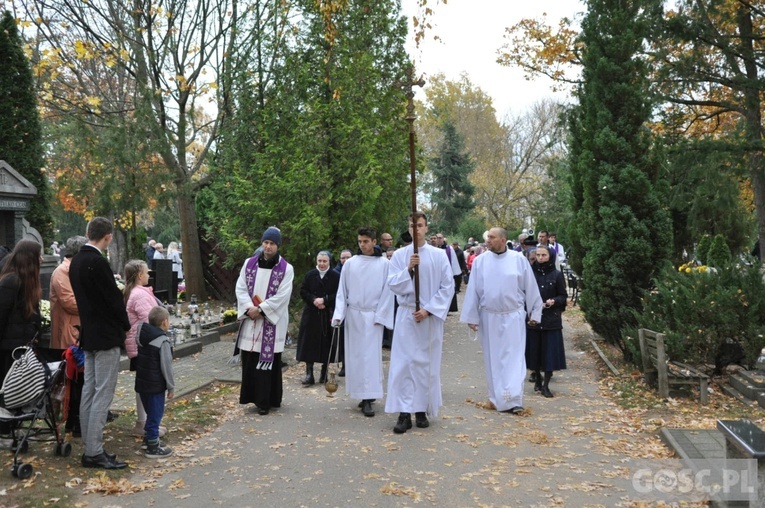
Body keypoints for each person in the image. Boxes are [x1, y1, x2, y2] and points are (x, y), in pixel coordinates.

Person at [460, 227, 543, 414]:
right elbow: (473, 290)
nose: (487, 240)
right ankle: (496, 398)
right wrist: (472, 317)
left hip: (513, 316)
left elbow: (530, 287)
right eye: (487, 237)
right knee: (493, 358)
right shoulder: (480, 261)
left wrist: (535, 314)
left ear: (503, 239)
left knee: (514, 357)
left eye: (492, 237)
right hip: (489, 316)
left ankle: (514, 399)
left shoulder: (518, 260)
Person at [70, 217, 131, 469]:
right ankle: (93, 451)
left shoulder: (76, 262)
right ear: (108, 237)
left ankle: (90, 447)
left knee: (89, 390)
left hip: (89, 333)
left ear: (87, 232)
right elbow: (113, 300)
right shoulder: (97, 262)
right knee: (103, 393)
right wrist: (125, 325)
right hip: (105, 335)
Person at [386, 212, 453, 433]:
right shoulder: (399, 255)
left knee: (426, 366)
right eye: (412, 225)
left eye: (420, 225)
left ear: (426, 228)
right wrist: (408, 269)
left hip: (429, 319)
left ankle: (421, 409)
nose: (416, 229)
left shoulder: (439, 255)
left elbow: (447, 287)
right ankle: (404, 412)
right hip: (407, 316)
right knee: (404, 365)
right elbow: (392, 284)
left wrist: (429, 309)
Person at [332, 227, 393, 417]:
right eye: (360, 241)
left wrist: (381, 316)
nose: (362, 245)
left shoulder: (384, 264)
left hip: (373, 316)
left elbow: (388, 292)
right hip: (354, 315)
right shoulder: (351, 264)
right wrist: (338, 315)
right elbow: (342, 291)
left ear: (374, 241)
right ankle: (360, 393)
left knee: (370, 358)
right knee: (356, 357)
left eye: (366, 241)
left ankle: (369, 398)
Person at [234, 227, 294, 415]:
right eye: (265, 243)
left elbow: (283, 296)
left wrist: (261, 309)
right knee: (251, 360)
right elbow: (240, 288)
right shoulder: (249, 264)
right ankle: (250, 397)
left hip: (270, 322)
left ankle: (267, 401)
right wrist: (249, 309)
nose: (268, 247)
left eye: (272, 244)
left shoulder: (286, 268)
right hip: (251, 319)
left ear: (278, 246)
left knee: (268, 363)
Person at [0, 240, 43, 437]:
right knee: (7, 389)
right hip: (8, 348)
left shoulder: (25, 282)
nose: (42, 259)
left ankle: (11, 427)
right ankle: (5, 430)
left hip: (19, 346)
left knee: (15, 389)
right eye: (38, 255)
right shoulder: (11, 281)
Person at [124, 259, 167, 438]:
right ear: (140, 275)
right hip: (145, 347)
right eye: (147, 272)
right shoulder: (139, 295)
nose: (149, 275)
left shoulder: (138, 292)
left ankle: (146, 422)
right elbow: (149, 319)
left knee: (144, 384)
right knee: (148, 386)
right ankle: (145, 423)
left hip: (140, 345)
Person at [50, 235, 88, 435]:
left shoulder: (73, 269)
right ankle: (73, 421)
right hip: (68, 334)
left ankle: (76, 420)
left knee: (79, 381)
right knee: (72, 381)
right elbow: (70, 302)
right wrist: (94, 302)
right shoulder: (62, 272)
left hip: (77, 331)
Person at [525, 245, 567, 398]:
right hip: (534, 319)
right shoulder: (530, 273)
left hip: (551, 319)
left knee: (549, 352)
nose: (541, 258)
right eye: (538, 255)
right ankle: (536, 377)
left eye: (544, 255)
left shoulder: (556, 275)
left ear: (550, 257)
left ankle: (546, 385)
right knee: (534, 350)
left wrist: (553, 301)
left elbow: (563, 296)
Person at [135, 306, 175, 458]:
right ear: (164, 322)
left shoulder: (143, 336)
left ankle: (149, 439)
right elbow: (166, 366)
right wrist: (171, 386)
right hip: (155, 385)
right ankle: (153, 446)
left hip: (142, 383)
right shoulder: (162, 341)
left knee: (149, 413)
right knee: (155, 415)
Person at [297, 251, 340, 386]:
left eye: (324, 261)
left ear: (329, 262)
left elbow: (339, 293)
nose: (321, 264)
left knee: (326, 343)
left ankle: (324, 372)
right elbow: (303, 291)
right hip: (311, 313)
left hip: (327, 313)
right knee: (308, 343)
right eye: (319, 261)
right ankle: (309, 374)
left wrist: (325, 300)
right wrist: (314, 300)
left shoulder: (335, 276)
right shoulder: (310, 275)